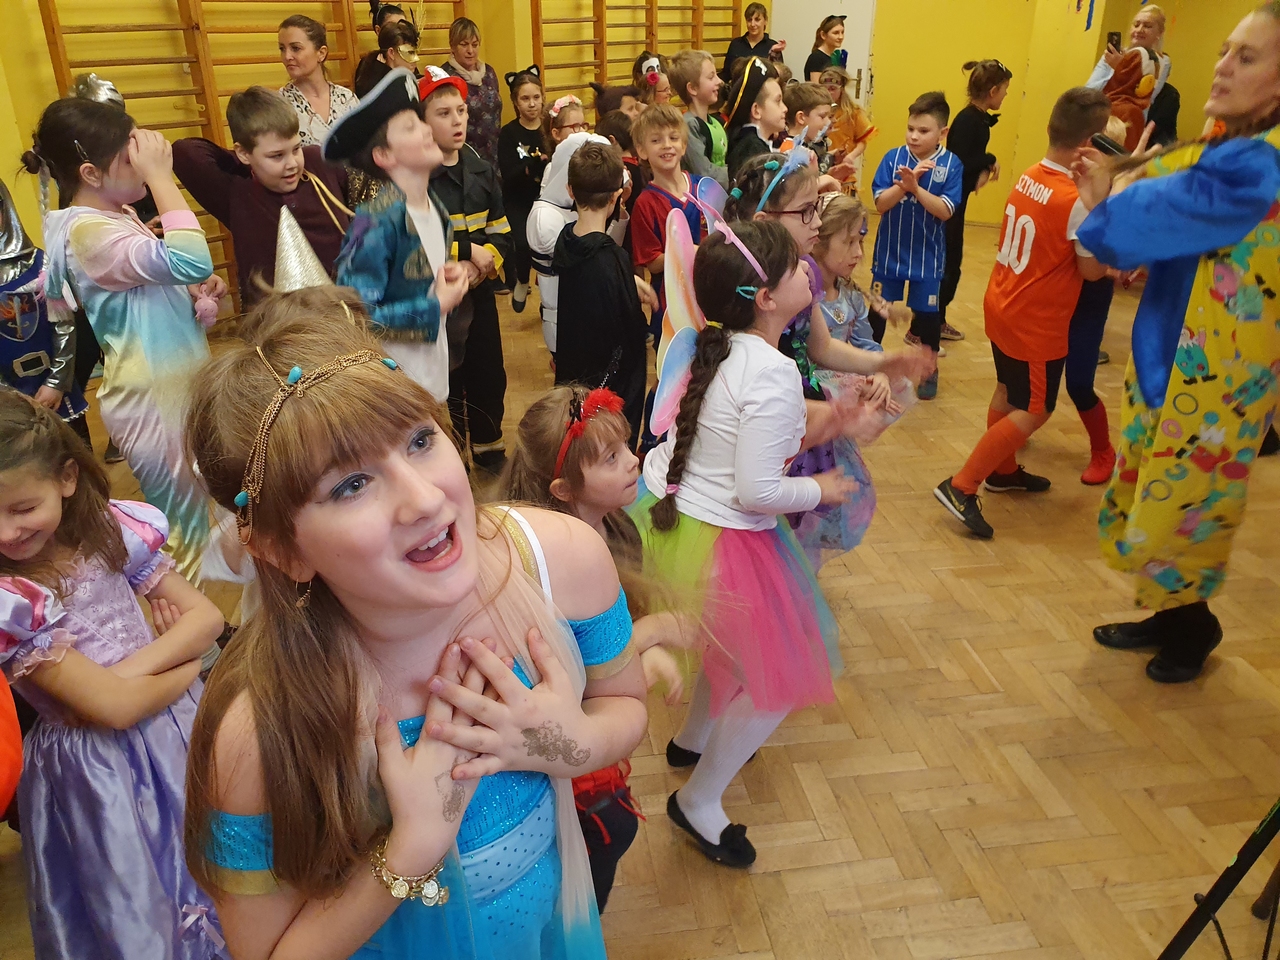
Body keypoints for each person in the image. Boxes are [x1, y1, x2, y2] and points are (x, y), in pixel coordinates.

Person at [182, 292, 648, 960]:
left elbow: (625, 704)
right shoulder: (257, 730)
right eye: (350, 485)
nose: (426, 499)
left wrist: (568, 743)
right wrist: (409, 849)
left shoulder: (562, 559)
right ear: (282, 550)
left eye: (421, 441)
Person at [633, 219, 851, 867]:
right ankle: (698, 800)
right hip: (724, 537)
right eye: (793, 265)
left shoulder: (718, 346)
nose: (807, 266)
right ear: (766, 298)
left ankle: (694, 738)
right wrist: (820, 490)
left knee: (726, 646)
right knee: (776, 678)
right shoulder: (774, 371)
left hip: (678, 520)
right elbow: (759, 491)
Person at [1077, 3, 1280, 684]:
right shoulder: (1235, 144)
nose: (1223, 66)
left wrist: (1110, 197)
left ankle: (1194, 629)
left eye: (1246, 57)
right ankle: (1169, 615)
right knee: (1154, 490)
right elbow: (1177, 182)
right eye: (1225, 50)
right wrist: (1127, 179)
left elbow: (1153, 212)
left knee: (1180, 508)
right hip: (1176, 358)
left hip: (1215, 380)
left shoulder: (1259, 164)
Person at [0, 390, 227, 959]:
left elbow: (207, 618)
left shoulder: (108, 529)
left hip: (180, 729)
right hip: (95, 770)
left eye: (22, 508)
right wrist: (183, 661)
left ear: (66, 478)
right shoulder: (11, 600)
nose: (6, 533)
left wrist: (130, 674)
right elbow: (114, 711)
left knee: (217, 861)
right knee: (135, 897)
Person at [501, 385, 693, 906]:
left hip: (590, 726)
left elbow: (606, 646)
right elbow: (571, 675)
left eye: (626, 446)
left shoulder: (619, 529)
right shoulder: (545, 570)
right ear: (563, 489)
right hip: (552, 747)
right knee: (603, 835)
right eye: (610, 458)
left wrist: (642, 650)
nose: (633, 461)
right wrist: (652, 634)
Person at [25, 98, 226, 585]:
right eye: (130, 157)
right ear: (91, 173)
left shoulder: (114, 216)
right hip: (153, 398)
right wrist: (161, 177)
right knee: (183, 534)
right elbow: (192, 259)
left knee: (206, 516)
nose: (142, 161)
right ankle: (196, 628)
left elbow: (174, 276)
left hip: (171, 384)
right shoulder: (90, 232)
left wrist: (191, 291)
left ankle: (215, 618)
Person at [727, 155, 930, 568]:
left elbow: (820, 347)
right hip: (773, 416)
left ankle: (797, 580)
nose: (817, 223)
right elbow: (753, 385)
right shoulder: (747, 285)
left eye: (816, 208)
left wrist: (883, 363)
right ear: (765, 220)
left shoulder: (804, 271)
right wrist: (836, 416)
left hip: (801, 407)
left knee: (798, 536)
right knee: (765, 525)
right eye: (806, 211)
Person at [934, 87, 1113, 540]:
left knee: (1008, 391)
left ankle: (1003, 470)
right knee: (1035, 408)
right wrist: (1102, 210)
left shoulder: (1031, 174)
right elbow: (1092, 272)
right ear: (1089, 146)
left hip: (1003, 303)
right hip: (1036, 321)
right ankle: (963, 484)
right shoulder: (1077, 200)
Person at [326, 68, 472, 402]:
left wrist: (446, 279)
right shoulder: (374, 221)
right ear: (385, 155)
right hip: (394, 392)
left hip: (431, 380)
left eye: (421, 121)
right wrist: (434, 305)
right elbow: (356, 315)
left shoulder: (437, 210)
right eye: (410, 126)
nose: (426, 129)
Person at [173, 86, 352, 306]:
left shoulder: (319, 163)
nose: (292, 164)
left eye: (296, 149)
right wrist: (250, 164)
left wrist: (263, 160)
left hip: (344, 311)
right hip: (275, 320)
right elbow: (184, 151)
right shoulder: (237, 192)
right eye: (276, 155)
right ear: (243, 153)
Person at [420, 66, 512, 474]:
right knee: (447, 378)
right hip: (437, 300)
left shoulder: (481, 169)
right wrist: (464, 249)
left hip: (479, 293)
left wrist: (483, 264)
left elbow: (502, 232)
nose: (457, 120)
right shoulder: (416, 178)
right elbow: (415, 239)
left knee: (488, 370)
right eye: (444, 113)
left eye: (461, 110)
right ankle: (452, 452)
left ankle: (490, 447)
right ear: (422, 122)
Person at [553, 144, 654, 446]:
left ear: (571, 190)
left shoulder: (566, 241)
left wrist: (627, 282)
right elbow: (630, 338)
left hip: (575, 381)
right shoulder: (614, 258)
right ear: (616, 196)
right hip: (608, 397)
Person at [871, 91, 963, 400]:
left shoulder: (951, 165)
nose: (913, 136)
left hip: (928, 257)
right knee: (878, 310)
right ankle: (869, 364)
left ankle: (929, 369)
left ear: (942, 133)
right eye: (910, 128)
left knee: (927, 317)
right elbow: (880, 204)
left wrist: (916, 189)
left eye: (923, 131)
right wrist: (902, 187)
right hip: (889, 253)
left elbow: (945, 210)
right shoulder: (892, 158)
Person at [0, 176, 89, 448]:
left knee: (74, 456)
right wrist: (8, 397)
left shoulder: (42, 264)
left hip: (54, 391)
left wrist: (57, 382)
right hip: (8, 402)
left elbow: (64, 325)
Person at [527, 130, 628, 357]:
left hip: (594, 318)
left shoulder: (575, 208)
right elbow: (588, 259)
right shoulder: (545, 217)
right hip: (565, 324)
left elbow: (607, 248)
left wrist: (616, 210)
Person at [939, 59, 1014, 343]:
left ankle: (936, 320)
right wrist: (988, 160)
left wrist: (985, 166)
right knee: (948, 264)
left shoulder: (978, 119)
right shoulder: (969, 121)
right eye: (1004, 89)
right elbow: (960, 161)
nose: (1006, 95)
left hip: (958, 199)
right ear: (993, 91)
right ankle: (922, 327)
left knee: (952, 262)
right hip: (950, 202)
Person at [631, 104, 704, 341]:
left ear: (684, 145)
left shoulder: (703, 188)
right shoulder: (645, 203)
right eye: (656, 140)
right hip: (672, 305)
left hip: (710, 295)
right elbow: (652, 263)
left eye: (673, 138)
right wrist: (688, 252)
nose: (666, 145)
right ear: (642, 150)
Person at [498, 65, 549, 313]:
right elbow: (508, 174)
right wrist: (530, 167)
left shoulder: (549, 129)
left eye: (536, 97)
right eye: (525, 99)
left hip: (546, 200)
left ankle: (549, 298)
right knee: (522, 243)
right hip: (518, 200)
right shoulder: (508, 133)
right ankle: (522, 280)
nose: (532, 104)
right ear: (515, 102)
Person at [278, 15, 360, 147]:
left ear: (321, 53)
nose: (287, 56)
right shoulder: (280, 105)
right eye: (282, 49)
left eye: (296, 48)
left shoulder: (347, 99)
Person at [441, 18, 504, 173]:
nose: (470, 51)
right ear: (452, 46)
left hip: (494, 157)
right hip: (463, 159)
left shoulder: (489, 73)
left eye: (475, 45)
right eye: (464, 45)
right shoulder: (445, 76)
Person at [1086, 4, 1172, 117]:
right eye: (1136, 25)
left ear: (1160, 32)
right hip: (1100, 116)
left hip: (1130, 119)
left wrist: (1122, 67)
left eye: (1147, 26)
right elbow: (1090, 91)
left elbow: (1146, 97)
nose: (1139, 30)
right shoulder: (1113, 54)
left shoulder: (1162, 61)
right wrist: (1121, 66)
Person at [669, 49, 728, 189]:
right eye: (711, 77)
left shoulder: (714, 122)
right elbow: (704, 172)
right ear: (693, 88)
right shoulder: (689, 125)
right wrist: (738, 171)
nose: (719, 81)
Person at [725, 57, 786, 181]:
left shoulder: (754, 143)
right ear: (756, 110)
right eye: (778, 101)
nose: (785, 108)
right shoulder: (752, 151)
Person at [820, 66, 877, 192]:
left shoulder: (853, 112)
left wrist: (851, 156)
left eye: (833, 89)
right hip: (821, 168)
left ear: (841, 89)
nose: (829, 92)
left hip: (843, 170)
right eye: (825, 89)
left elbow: (862, 142)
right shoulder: (815, 112)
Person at [354, 19, 422, 98]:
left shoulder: (410, 70)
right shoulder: (373, 84)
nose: (416, 59)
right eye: (410, 52)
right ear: (391, 53)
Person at [722, 3, 785, 82]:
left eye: (757, 20)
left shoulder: (772, 46)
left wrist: (773, 54)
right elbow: (726, 74)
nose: (752, 24)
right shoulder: (735, 44)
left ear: (765, 21)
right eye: (749, 20)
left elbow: (779, 77)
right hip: (739, 88)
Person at [806, 15, 846, 82]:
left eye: (842, 32)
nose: (841, 37)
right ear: (823, 35)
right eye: (836, 33)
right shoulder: (816, 58)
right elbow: (816, 86)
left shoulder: (834, 57)